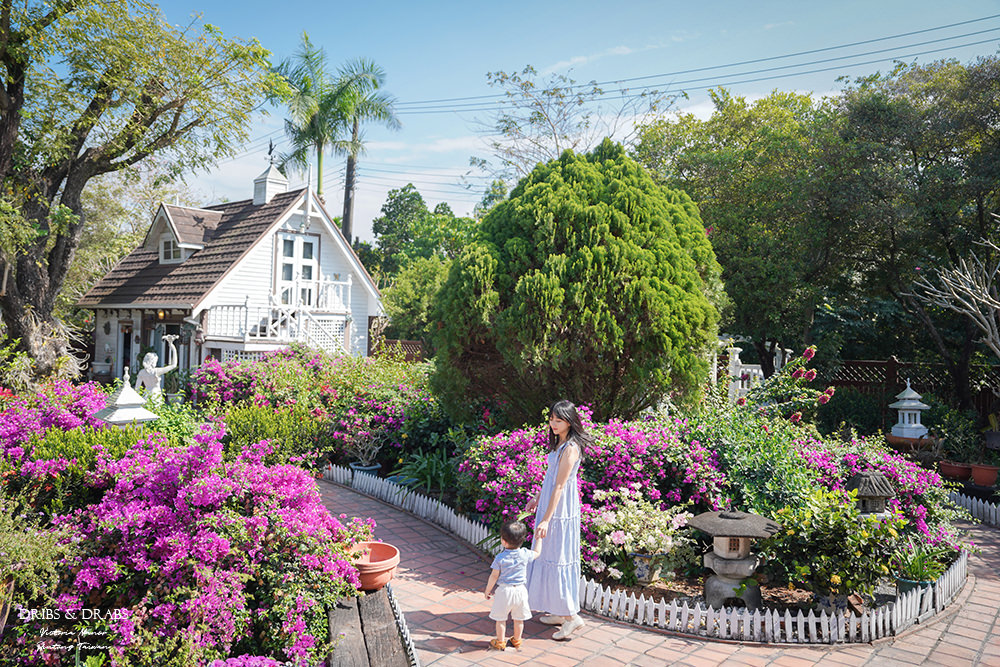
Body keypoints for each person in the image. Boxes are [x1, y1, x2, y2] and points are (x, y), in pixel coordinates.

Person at [525, 399, 591, 640]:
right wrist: (536, 498)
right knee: (549, 555)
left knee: (560, 557)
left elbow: (561, 486)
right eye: (552, 418)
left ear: (569, 422)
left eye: (559, 420)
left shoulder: (571, 448)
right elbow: (550, 477)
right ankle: (558, 609)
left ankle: (572, 616)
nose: (553, 423)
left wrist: (545, 519)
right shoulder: (559, 444)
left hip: (560, 510)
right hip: (550, 503)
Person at [483, 520, 541, 651]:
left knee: (501, 618)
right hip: (521, 590)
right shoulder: (525, 554)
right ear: (522, 540)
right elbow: (537, 553)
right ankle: (517, 640)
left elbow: (494, 576)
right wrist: (539, 539)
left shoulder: (500, 558)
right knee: (519, 618)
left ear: (503, 541)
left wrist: (487, 590)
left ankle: (500, 642)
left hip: (505, 591)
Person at [134, 335, 178, 402]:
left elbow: (137, 389)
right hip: (156, 395)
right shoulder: (156, 371)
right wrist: (173, 348)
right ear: (153, 361)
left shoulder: (141, 372)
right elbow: (173, 365)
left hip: (146, 395)